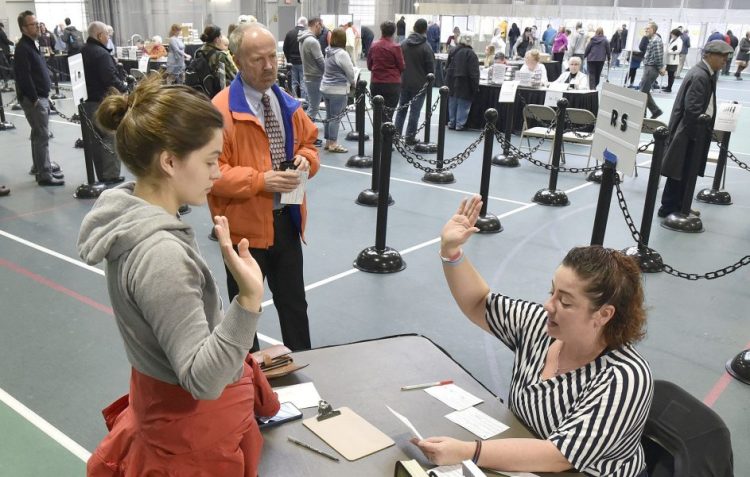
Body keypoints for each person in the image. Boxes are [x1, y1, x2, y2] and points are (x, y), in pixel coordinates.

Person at [78, 73, 280, 475]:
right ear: (169, 161)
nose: (217, 173)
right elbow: (203, 380)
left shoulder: (130, 217)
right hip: (186, 447)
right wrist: (248, 300)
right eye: (209, 160)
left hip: (164, 417)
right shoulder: (161, 256)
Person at [412, 196, 653, 477]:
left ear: (603, 315)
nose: (548, 306)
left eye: (565, 302)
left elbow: (559, 456)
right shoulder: (541, 325)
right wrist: (451, 252)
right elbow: (479, 303)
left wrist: (469, 451)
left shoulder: (624, 376)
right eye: (552, 292)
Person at [208, 22, 320, 352]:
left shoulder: (286, 102)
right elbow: (212, 173)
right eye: (258, 59)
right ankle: (249, 385)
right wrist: (261, 181)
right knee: (246, 314)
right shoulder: (220, 111)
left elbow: (310, 143)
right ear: (237, 60)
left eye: (273, 56)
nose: (269, 65)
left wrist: (304, 161)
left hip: (286, 222)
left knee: (295, 308)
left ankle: (309, 375)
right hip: (243, 234)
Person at [658, 40, 733, 219]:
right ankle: (670, 208)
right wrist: (696, 136)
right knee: (679, 172)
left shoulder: (706, 73)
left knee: (684, 171)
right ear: (708, 55)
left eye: (726, 57)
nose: (725, 60)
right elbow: (692, 110)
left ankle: (681, 205)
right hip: (688, 133)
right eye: (721, 56)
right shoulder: (700, 75)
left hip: (691, 133)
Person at [14, 11, 64, 186]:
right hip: (34, 100)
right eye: (32, 24)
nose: (37, 26)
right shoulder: (23, 48)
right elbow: (23, 76)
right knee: (42, 135)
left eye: (36, 23)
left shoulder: (32, 45)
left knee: (37, 134)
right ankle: (44, 174)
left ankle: (39, 167)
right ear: (24, 28)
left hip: (40, 96)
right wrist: (35, 98)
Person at [81, 21, 127, 184]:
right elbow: (110, 79)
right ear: (100, 36)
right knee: (111, 135)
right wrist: (124, 89)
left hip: (86, 101)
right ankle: (111, 174)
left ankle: (101, 174)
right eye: (107, 34)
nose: (108, 37)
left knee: (95, 140)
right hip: (102, 101)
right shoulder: (101, 54)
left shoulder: (82, 51)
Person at [395, 18, 434, 146]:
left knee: (401, 110)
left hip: (404, 82)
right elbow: (431, 70)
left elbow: (398, 64)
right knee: (414, 112)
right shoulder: (426, 47)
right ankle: (410, 137)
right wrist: (429, 86)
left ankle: (396, 135)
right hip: (420, 85)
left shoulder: (403, 44)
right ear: (425, 30)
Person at [321, 27, 355, 153]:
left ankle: (328, 142)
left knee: (329, 116)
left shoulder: (328, 51)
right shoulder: (342, 53)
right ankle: (333, 143)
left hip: (326, 87)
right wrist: (353, 83)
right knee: (336, 117)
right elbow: (350, 71)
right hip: (337, 89)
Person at [367, 20, 405, 121]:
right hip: (392, 84)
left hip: (376, 83)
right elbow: (402, 66)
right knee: (389, 115)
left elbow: (369, 65)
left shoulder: (374, 45)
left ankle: (377, 136)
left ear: (381, 30)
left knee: (377, 113)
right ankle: (386, 136)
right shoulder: (396, 47)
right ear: (394, 32)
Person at [445, 33, 479, 131]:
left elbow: (446, 67)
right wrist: (475, 86)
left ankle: (452, 122)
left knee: (453, 102)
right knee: (463, 104)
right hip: (465, 82)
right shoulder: (471, 54)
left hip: (451, 80)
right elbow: (474, 73)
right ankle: (459, 124)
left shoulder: (453, 50)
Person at [299, 17, 325, 123]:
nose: (322, 30)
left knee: (312, 107)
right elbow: (321, 62)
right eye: (321, 27)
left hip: (309, 76)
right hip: (315, 78)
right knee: (313, 109)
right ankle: (307, 134)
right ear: (317, 24)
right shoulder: (313, 41)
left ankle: (307, 134)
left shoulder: (303, 39)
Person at [639, 22, 665, 119]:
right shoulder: (652, 40)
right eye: (646, 28)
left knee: (642, 92)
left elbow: (658, 57)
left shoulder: (656, 41)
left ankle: (643, 115)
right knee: (644, 91)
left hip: (651, 68)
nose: (646, 30)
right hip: (649, 68)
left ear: (653, 30)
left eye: (648, 28)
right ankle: (655, 111)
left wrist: (660, 68)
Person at [283, 17, 308, 100]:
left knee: (293, 82)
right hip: (303, 62)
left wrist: (289, 59)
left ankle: (293, 100)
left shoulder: (290, 33)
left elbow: (285, 48)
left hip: (292, 63)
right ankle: (304, 102)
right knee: (303, 82)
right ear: (305, 24)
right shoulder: (306, 34)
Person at [663, 29, 682, 93]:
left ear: (675, 34)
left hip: (673, 60)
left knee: (671, 74)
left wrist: (670, 51)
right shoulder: (672, 39)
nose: (671, 35)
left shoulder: (679, 41)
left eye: (672, 34)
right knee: (669, 74)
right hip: (669, 59)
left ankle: (669, 88)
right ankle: (668, 86)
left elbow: (678, 50)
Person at [0, 22, 14, 89]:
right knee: (5, 68)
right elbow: (6, 41)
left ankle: (5, 84)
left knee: (3, 68)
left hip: (3, 52)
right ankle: (6, 84)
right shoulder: (1, 32)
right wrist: (12, 43)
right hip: (4, 52)